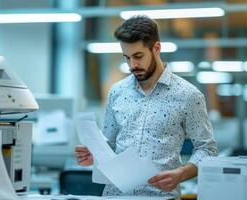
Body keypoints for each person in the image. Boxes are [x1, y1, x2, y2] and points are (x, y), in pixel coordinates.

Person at [75, 15, 218, 198]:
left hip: (159, 197)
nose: (132, 65)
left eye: (138, 56)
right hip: (116, 196)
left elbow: (208, 149)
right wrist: (94, 153)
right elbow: (108, 144)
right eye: (127, 58)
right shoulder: (117, 92)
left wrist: (181, 174)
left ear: (156, 48)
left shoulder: (188, 95)